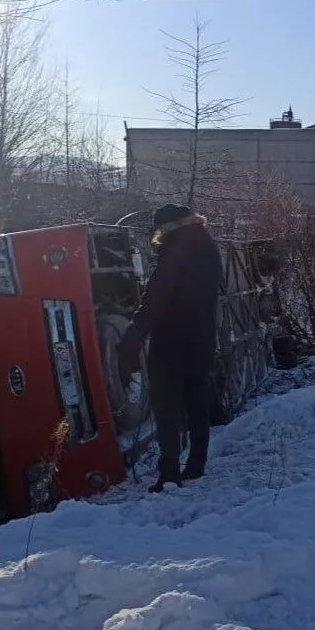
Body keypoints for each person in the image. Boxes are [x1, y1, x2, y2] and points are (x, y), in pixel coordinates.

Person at [117, 203, 223, 493]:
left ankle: (169, 475)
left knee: (167, 410)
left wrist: (133, 335)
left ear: (168, 227)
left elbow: (155, 299)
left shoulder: (175, 251)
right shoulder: (209, 249)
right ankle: (197, 464)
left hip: (170, 344)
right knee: (196, 405)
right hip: (202, 340)